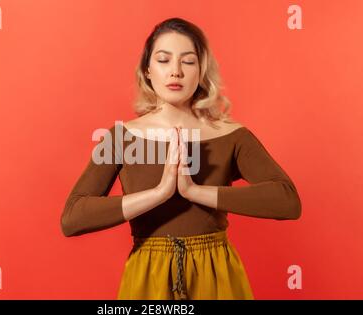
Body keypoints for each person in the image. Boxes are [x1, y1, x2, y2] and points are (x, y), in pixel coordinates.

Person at [60, 17, 302, 300]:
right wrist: (160, 193)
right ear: (147, 70)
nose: (175, 71)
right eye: (163, 60)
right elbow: (72, 219)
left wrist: (195, 191)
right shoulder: (121, 137)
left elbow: (287, 201)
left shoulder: (232, 135)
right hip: (147, 276)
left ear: (201, 71)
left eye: (188, 61)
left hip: (217, 274)